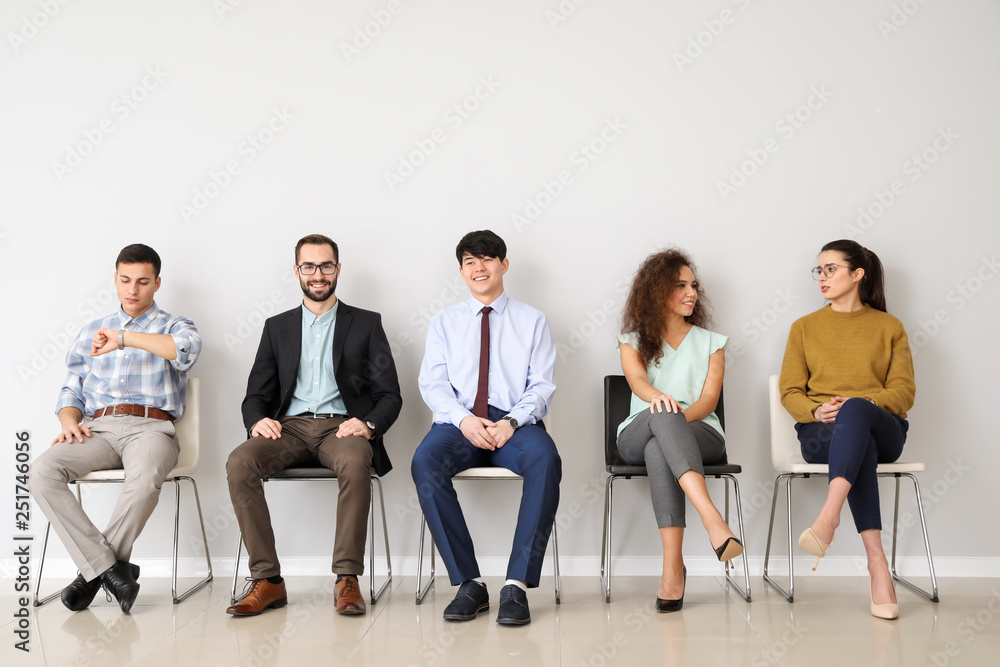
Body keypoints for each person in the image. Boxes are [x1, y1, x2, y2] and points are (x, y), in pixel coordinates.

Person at [226, 234, 402, 617]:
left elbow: (390, 395)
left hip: (342, 429)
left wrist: (368, 425)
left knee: (357, 462)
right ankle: (268, 580)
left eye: (325, 265)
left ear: (338, 269)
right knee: (239, 462)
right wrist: (258, 421)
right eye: (309, 266)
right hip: (287, 429)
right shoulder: (277, 327)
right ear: (297, 271)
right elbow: (255, 395)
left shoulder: (367, 324)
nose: (317, 274)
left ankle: (347, 578)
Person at [31, 244, 202, 614]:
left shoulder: (175, 325)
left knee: (143, 479)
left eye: (142, 282)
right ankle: (111, 569)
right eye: (125, 280)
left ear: (157, 283)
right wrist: (69, 420)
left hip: (151, 428)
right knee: (42, 471)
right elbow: (71, 385)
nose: (132, 290)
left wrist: (123, 337)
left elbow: (185, 350)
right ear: (115, 279)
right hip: (99, 428)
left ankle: (90, 574)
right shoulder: (91, 329)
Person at [411, 230, 560, 626]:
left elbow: (542, 385)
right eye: (470, 262)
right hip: (460, 422)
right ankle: (469, 584)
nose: (479, 268)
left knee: (545, 458)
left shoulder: (533, 320)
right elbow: (433, 384)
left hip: (515, 420)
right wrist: (464, 419)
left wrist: (511, 422)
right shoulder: (444, 323)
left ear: (504, 264)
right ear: (461, 271)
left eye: (487, 259)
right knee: (425, 461)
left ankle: (516, 585)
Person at [780, 239, 915, 620]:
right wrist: (815, 408)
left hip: (884, 429)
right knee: (861, 450)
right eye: (818, 270)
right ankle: (877, 565)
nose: (821, 277)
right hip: (823, 434)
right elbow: (790, 391)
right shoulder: (804, 328)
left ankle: (830, 516)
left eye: (831, 269)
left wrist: (866, 404)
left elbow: (905, 391)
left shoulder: (889, 327)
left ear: (857, 274)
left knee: (857, 411)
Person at [616, 248, 744, 612]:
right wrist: (662, 407)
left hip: (701, 433)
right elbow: (638, 382)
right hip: (636, 434)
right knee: (660, 423)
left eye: (694, 286)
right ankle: (713, 520)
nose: (692, 293)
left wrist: (671, 420)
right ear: (656, 291)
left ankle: (673, 569)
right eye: (680, 286)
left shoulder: (711, 343)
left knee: (663, 445)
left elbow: (708, 400)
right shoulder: (631, 342)